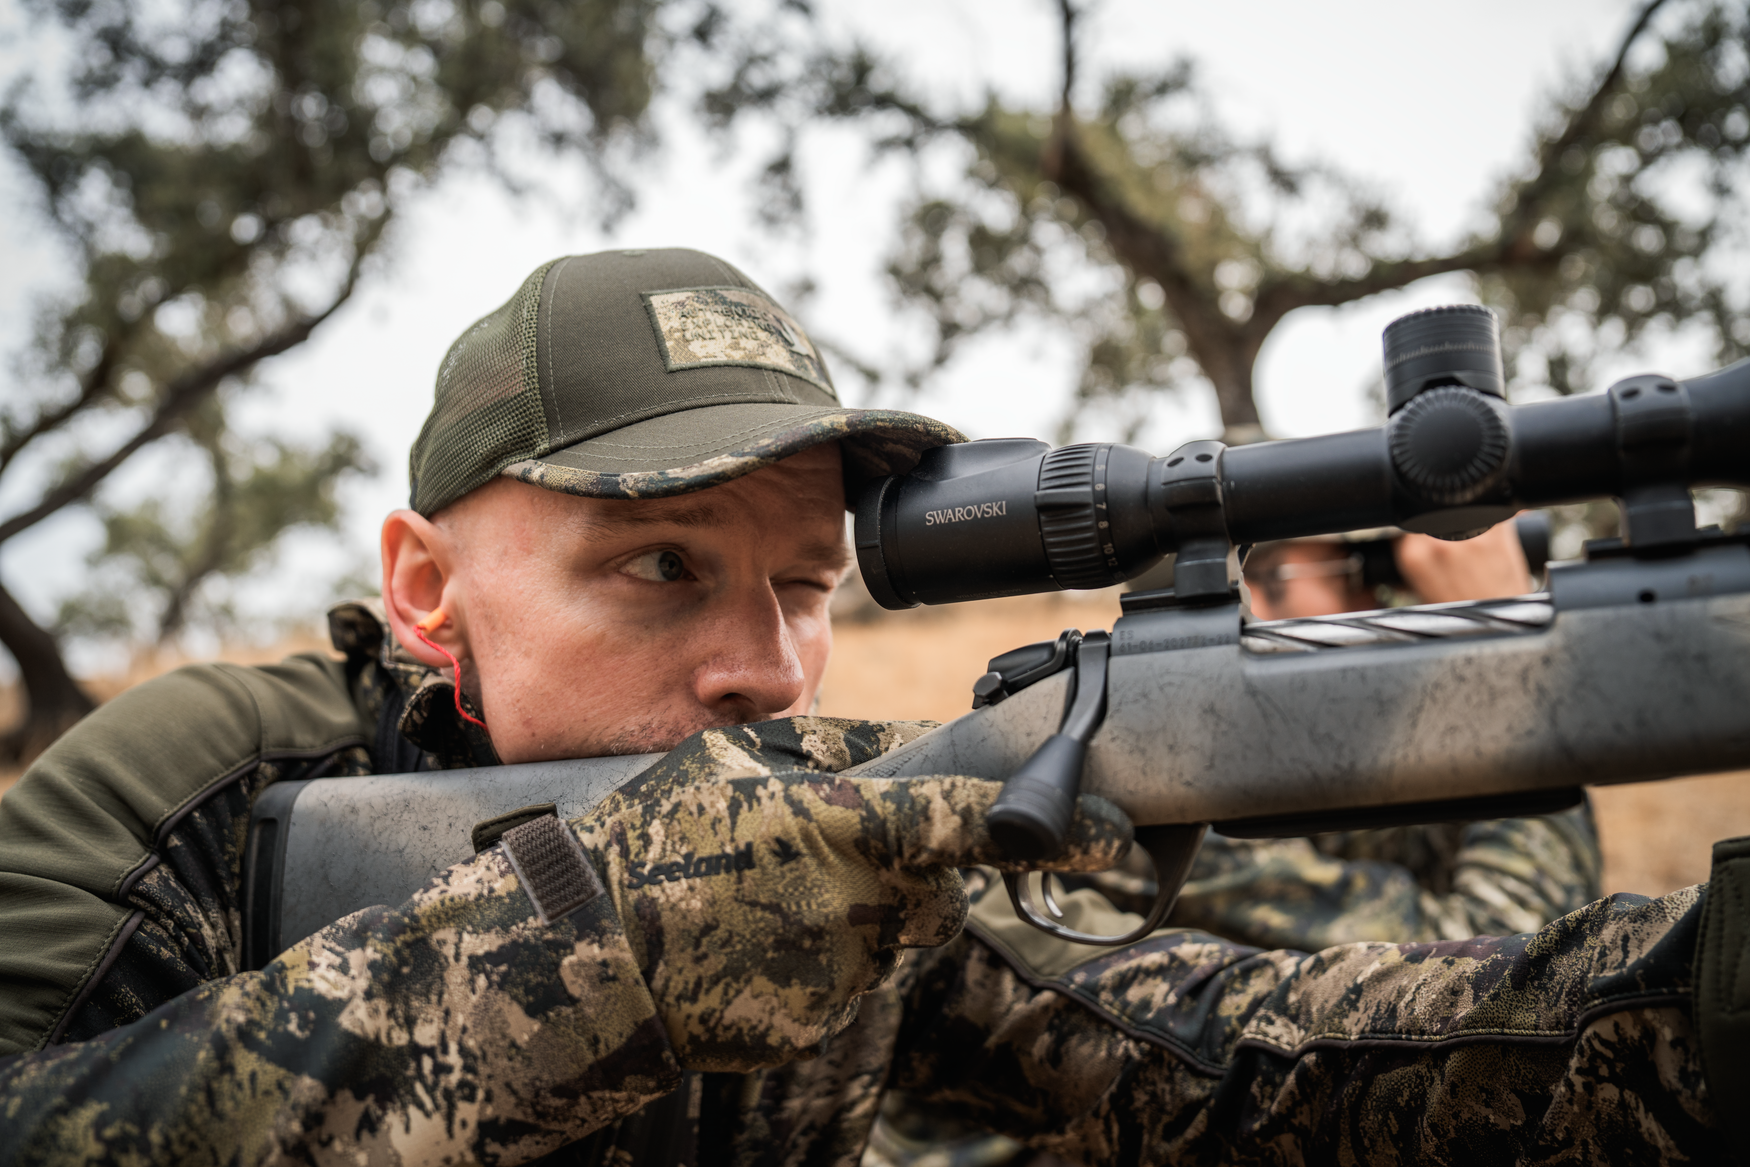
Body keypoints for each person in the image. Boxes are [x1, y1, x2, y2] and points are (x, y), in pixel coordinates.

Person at [0, 249, 1738, 1165]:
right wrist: (594, 944)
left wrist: (1693, 1000)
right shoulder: (199, 795)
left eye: (806, 585)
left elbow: (1243, 1070)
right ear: (426, 585)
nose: (764, 668)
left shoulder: (827, 837)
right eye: (662, 566)